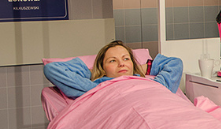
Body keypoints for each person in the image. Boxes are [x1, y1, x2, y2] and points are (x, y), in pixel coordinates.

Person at [44, 40, 183, 98]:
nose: (121, 64)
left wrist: (144, 68)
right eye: (112, 61)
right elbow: (52, 69)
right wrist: (91, 72)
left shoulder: (155, 85)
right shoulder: (96, 89)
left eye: (126, 59)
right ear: (103, 69)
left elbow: (175, 63)